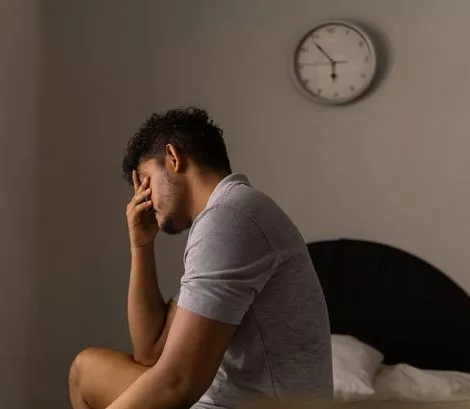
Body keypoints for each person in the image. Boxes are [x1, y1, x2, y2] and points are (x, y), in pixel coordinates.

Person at [68, 107, 333, 409]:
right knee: (86, 369)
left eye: (145, 181)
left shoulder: (230, 217)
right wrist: (140, 245)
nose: (144, 199)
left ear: (173, 158)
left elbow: (178, 384)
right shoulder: (232, 213)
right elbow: (151, 352)